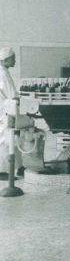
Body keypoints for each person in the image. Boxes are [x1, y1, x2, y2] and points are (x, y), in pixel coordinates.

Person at [0, 47, 22, 179]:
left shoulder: (3, 71)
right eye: (13, 58)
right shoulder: (3, 73)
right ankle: (3, 171)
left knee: (10, 138)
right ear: (5, 60)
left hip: (4, 110)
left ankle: (18, 167)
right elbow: (12, 94)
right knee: (6, 140)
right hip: (5, 111)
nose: (15, 61)